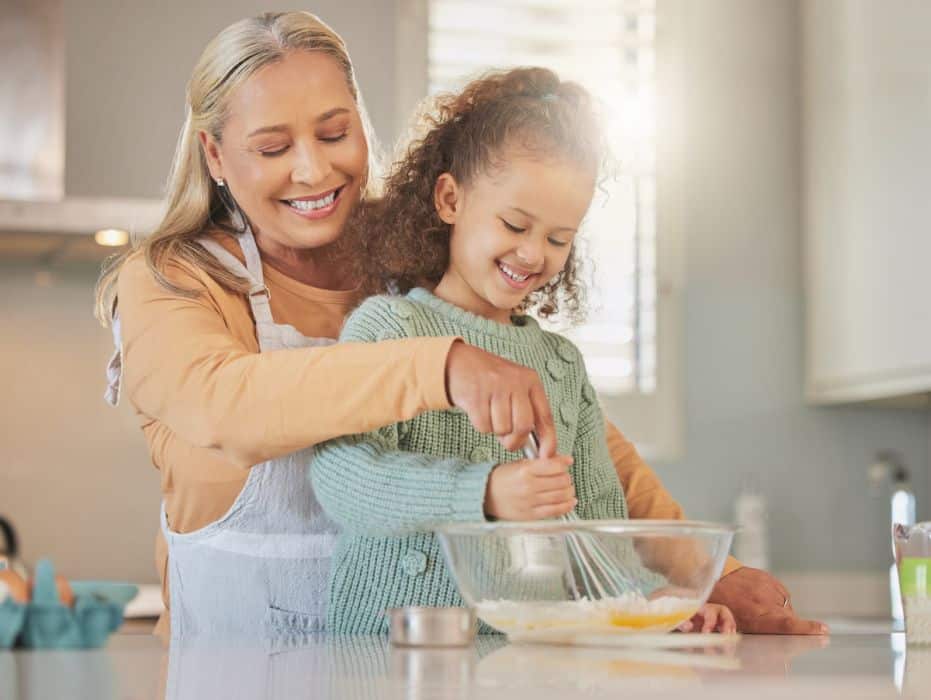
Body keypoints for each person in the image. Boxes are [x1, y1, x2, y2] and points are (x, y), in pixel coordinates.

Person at [94, 10, 824, 639]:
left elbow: (573, 434)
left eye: (334, 131)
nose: (314, 171)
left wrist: (704, 577)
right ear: (216, 155)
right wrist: (441, 365)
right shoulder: (171, 280)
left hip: (421, 661)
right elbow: (228, 407)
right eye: (273, 148)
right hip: (234, 668)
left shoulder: (413, 256)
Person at [311, 67, 737, 635]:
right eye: (515, 224)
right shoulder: (389, 327)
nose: (534, 253)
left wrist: (657, 606)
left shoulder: (560, 365)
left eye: (559, 238)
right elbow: (342, 480)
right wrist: (483, 492)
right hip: (386, 653)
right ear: (449, 199)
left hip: (522, 656)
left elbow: (596, 527)